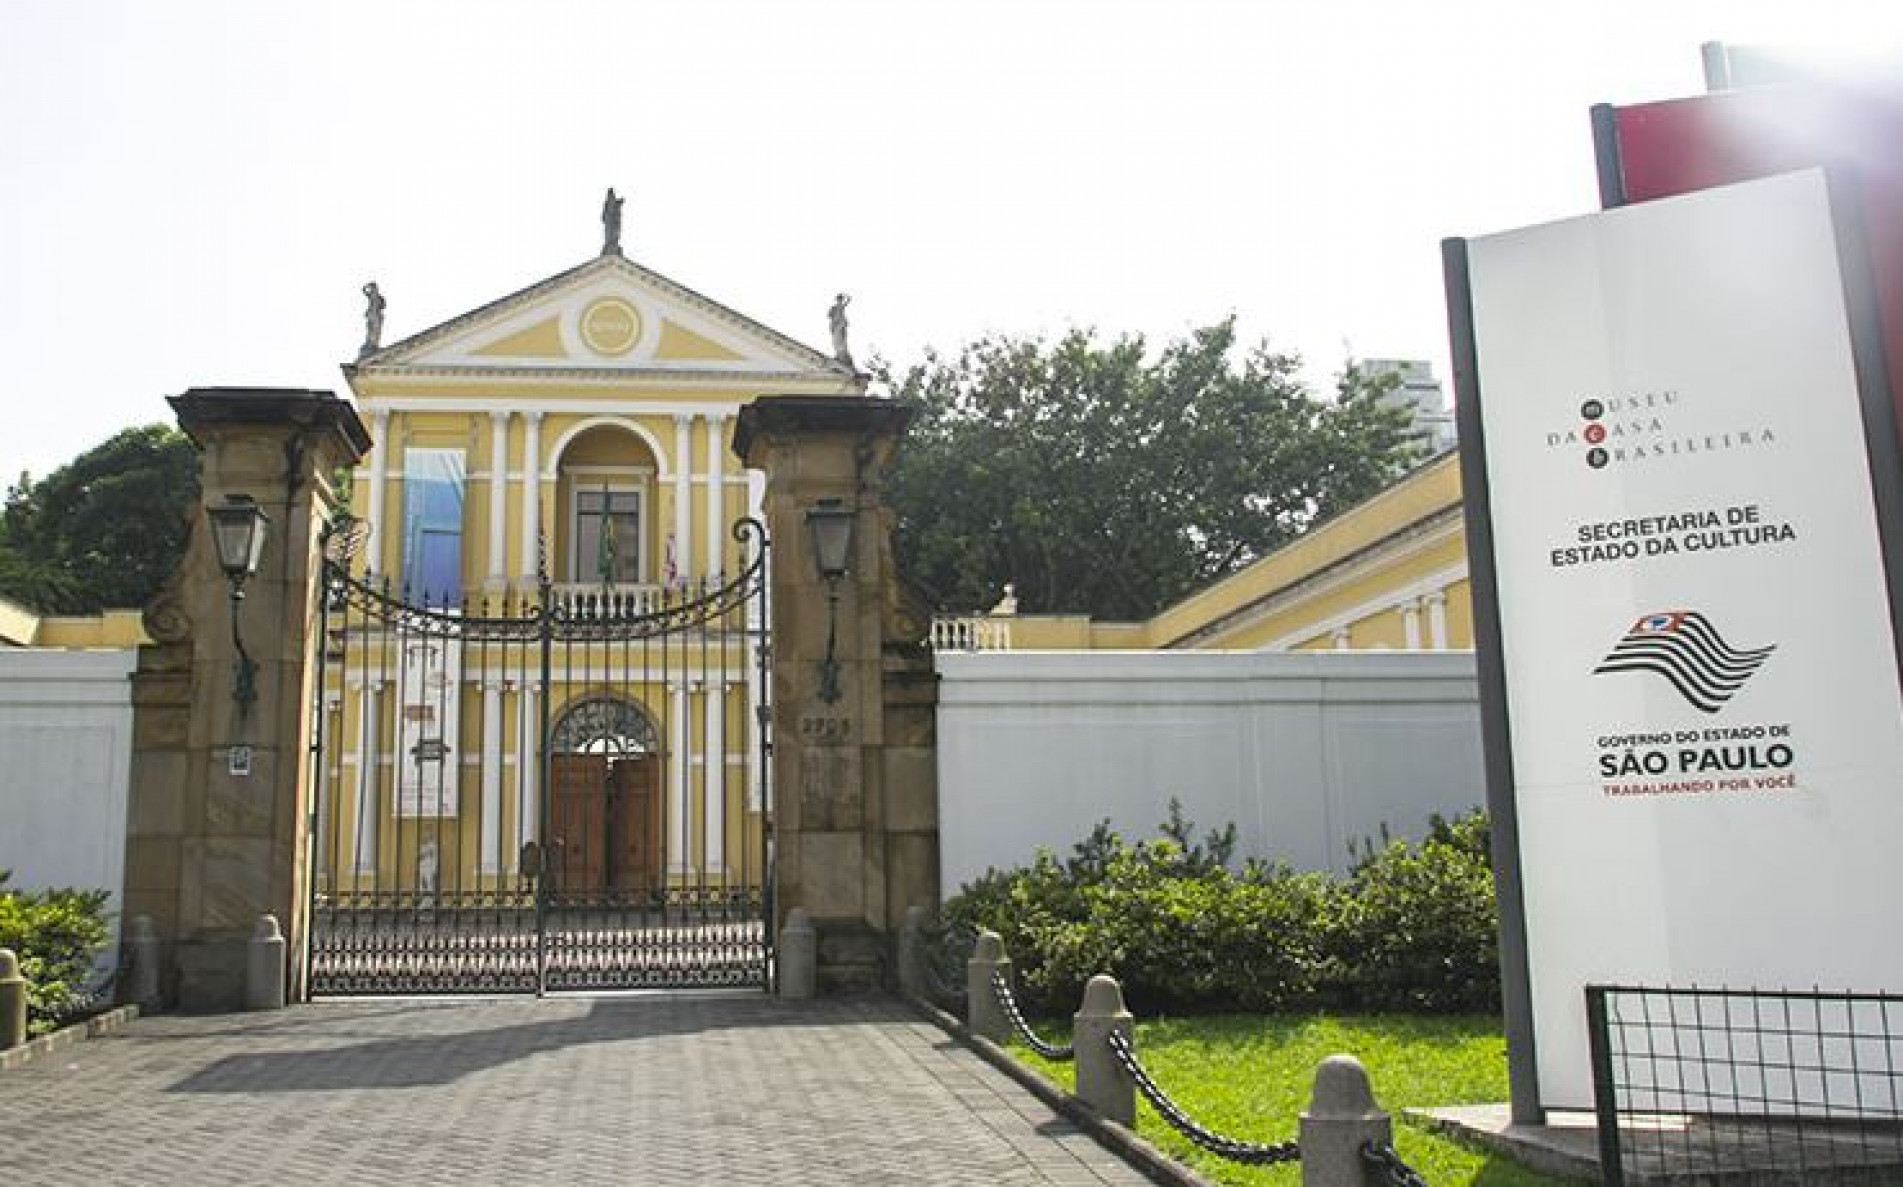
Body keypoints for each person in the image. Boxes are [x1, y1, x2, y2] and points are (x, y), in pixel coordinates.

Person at [360, 281, 385, 357]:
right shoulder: (371, 296)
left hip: (375, 315)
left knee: (375, 330)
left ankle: (372, 343)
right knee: (371, 329)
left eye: (373, 288)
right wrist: (366, 286)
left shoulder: (377, 297)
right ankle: (371, 343)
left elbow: (383, 304)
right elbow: (364, 290)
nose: (373, 290)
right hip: (372, 315)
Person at [829, 292, 854, 368]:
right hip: (835, 325)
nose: (840, 300)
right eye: (839, 299)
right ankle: (840, 353)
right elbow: (829, 315)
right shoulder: (834, 307)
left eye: (840, 299)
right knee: (836, 340)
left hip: (840, 325)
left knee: (840, 339)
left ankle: (842, 354)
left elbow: (849, 300)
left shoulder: (841, 306)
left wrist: (846, 296)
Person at [601, 187, 624, 254]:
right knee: (610, 232)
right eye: (610, 193)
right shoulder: (607, 203)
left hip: (615, 220)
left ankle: (613, 243)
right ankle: (610, 244)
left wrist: (619, 202)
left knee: (615, 231)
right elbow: (603, 216)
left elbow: (603, 216)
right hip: (610, 220)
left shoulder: (613, 202)